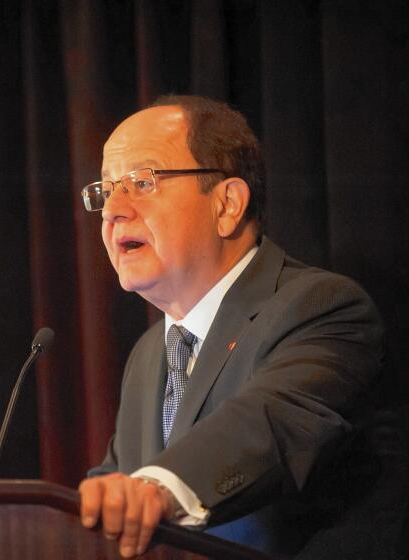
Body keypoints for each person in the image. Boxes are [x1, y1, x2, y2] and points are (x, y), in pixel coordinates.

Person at [77, 95, 389, 557]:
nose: (114, 210)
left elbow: (267, 424)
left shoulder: (322, 308)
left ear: (227, 204)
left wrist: (156, 490)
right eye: (106, 190)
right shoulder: (149, 353)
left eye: (142, 182)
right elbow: (115, 488)